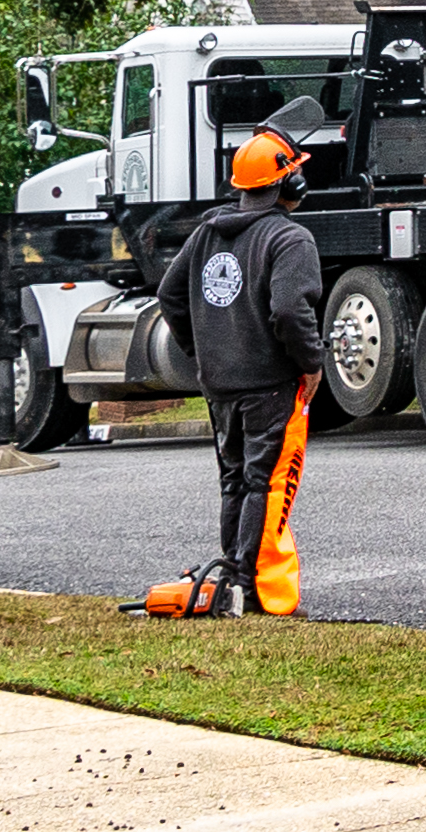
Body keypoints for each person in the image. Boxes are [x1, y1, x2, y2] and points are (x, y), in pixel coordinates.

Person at [142, 109, 327, 619]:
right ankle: (247, 587)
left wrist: (201, 352)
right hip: (269, 382)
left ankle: (232, 580)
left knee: (234, 481)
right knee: (263, 481)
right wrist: (310, 363)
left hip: (220, 383)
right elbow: (290, 309)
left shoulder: (206, 234)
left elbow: (169, 294)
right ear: (292, 181)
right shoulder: (290, 239)